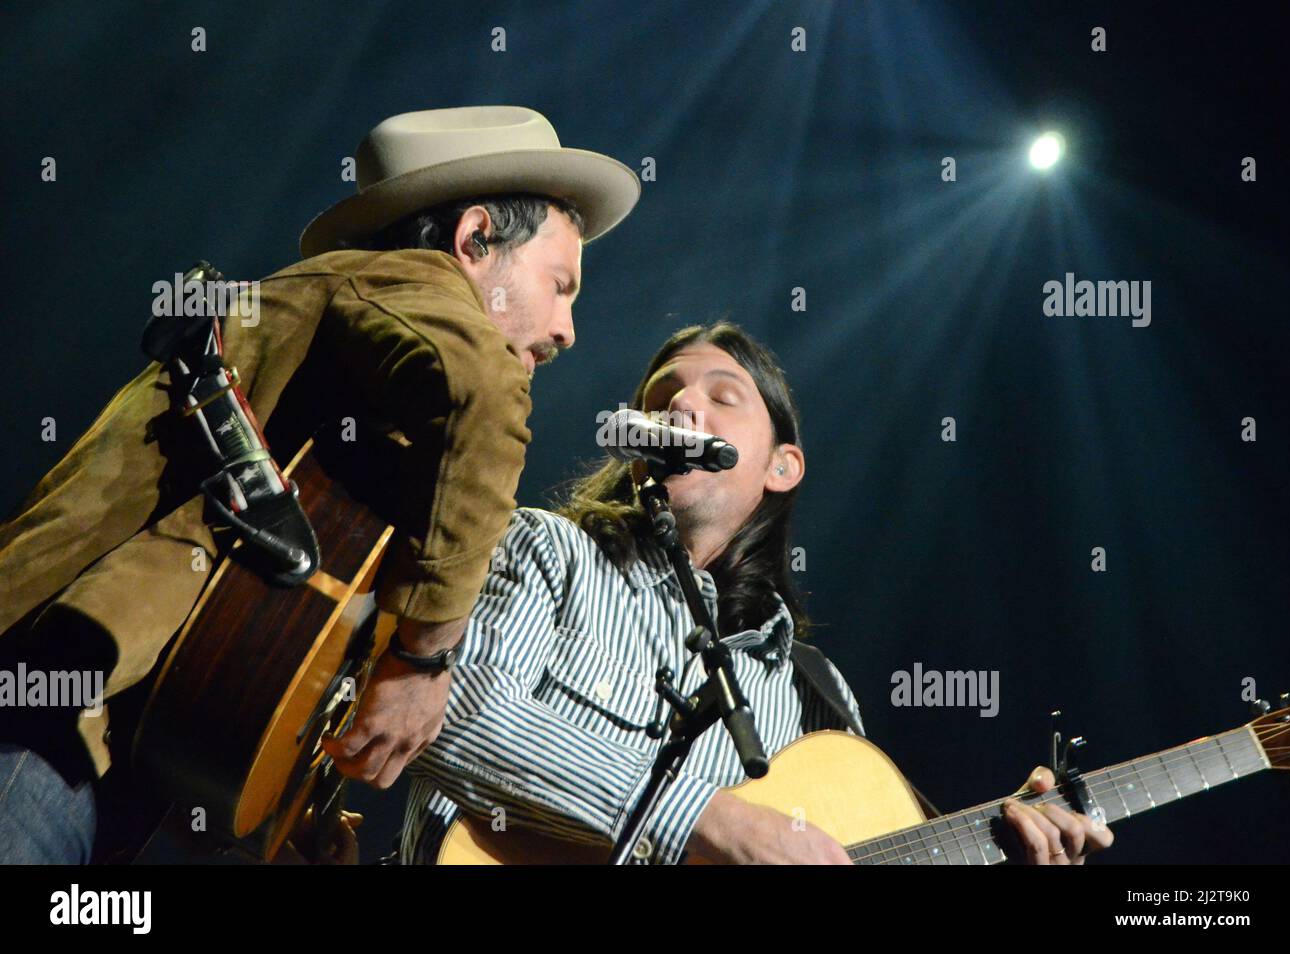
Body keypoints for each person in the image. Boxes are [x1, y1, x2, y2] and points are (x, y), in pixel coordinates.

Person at [0, 105, 640, 863]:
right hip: (37, 727)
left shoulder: (366, 408)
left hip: (94, 752)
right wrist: (424, 660)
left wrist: (289, 810)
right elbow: (483, 397)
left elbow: (252, 625)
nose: (568, 329)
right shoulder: (406, 280)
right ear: (473, 241)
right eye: (559, 283)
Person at [400, 322, 1115, 864]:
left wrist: (1005, 846)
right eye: (660, 398)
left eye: (723, 395)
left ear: (781, 466)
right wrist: (708, 821)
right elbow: (445, 715)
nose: (680, 402)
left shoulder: (816, 692)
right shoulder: (548, 550)